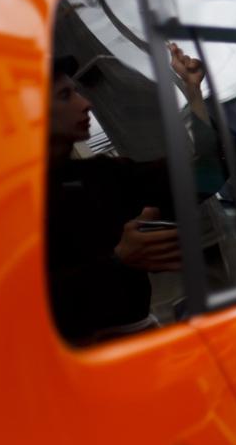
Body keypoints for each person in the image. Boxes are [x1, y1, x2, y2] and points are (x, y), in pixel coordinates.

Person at [46, 44, 219, 345]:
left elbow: (208, 174)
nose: (85, 103)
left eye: (77, 91)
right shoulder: (1, 204)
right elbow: (15, 308)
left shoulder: (104, 174)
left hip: (142, 349)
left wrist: (193, 93)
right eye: (65, 95)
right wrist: (118, 261)